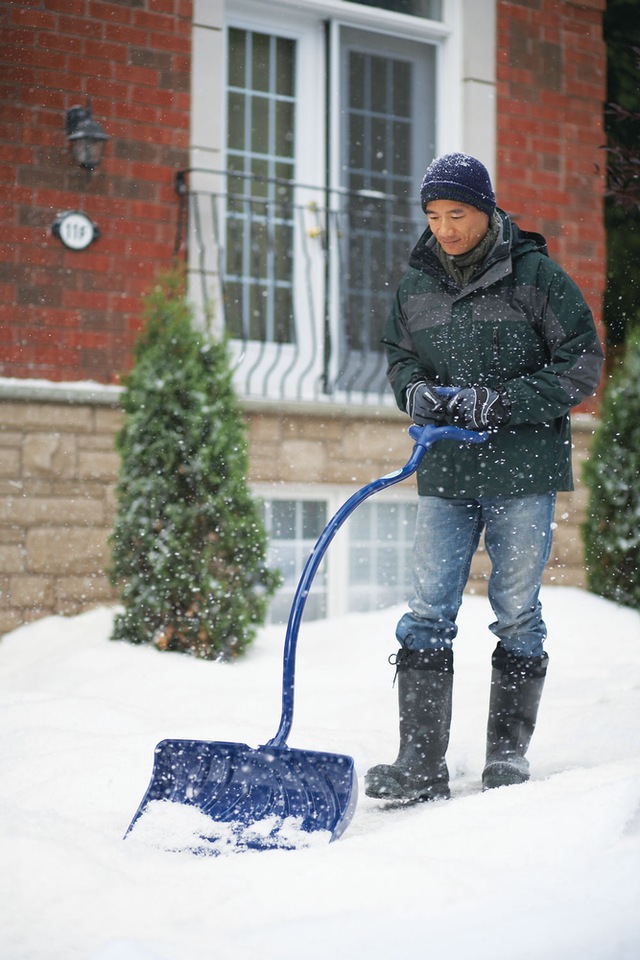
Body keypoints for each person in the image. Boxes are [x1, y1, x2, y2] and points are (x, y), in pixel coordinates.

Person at [365, 152, 604, 801]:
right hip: (445, 467)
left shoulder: (535, 277)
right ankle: (420, 763)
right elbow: (398, 355)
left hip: (522, 470)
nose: (444, 229)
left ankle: (507, 754)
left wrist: (499, 403)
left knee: (518, 611)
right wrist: (414, 394)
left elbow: (582, 364)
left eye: (457, 214)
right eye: (434, 216)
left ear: (487, 209)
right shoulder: (416, 282)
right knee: (425, 613)